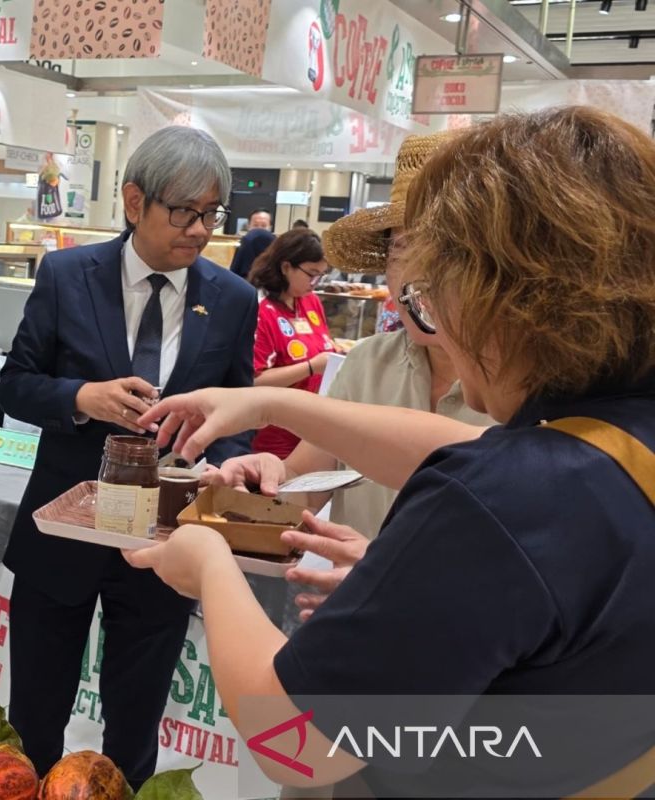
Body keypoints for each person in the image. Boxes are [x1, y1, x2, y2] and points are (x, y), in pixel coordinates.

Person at [127, 107, 655, 796]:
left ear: (505, 296)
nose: (429, 319)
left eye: (436, 292)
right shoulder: (610, 443)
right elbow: (477, 451)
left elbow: (294, 743)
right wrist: (269, 405)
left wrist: (208, 564)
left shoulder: (495, 500)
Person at [0, 126, 259, 789]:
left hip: (163, 541)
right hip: (63, 533)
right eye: (186, 212)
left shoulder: (232, 299)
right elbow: (16, 385)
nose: (201, 231)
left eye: (213, 214)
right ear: (134, 201)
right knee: (34, 720)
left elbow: (237, 411)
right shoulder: (66, 275)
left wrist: (224, 464)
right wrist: (81, 397)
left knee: (135, 728)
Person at [212, 132, 493, 601]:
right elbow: (303, 487)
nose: (417, 274)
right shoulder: (366, 364)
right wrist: (262, 483)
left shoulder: (526, 387)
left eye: (441, 251)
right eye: (401, 250)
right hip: (346, 624)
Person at [247, 229, 336, 458]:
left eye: (321, 276)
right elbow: (253, 381)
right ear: (286, 267)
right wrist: (311, 367)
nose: (315, 283)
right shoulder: (261, 309)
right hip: (275, 435)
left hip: (314, 429)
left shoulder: (311, 301)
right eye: (311, 274)